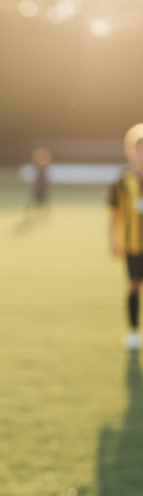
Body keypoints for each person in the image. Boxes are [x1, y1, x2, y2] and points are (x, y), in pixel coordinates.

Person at [108, 124, 143, 351]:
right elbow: (115, 213)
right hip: (133, 244)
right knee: (134, 285)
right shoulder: (122, 179)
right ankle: (133, 331)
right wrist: (114, 241)